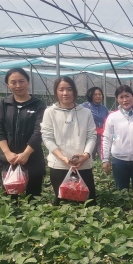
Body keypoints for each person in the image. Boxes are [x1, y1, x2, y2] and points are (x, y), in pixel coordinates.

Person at [42, 76, 98, 206]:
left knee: (87, 202)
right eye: (61, 89)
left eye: (69, 89)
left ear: (74, 91)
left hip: (83, 165)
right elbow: (47, 137)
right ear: (56, 92)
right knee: (63, 204)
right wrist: (63, 158)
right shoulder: (50, 112)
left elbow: (92, 136)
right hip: (59, 166)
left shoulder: (86, 113)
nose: (65, 93)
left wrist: (85, 155)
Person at [0, 68, 46, 198]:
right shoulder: (3, 104)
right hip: (8, 160)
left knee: (33, 198)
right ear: (8, 85)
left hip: (32, 159)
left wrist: (26, 154)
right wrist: (7, 153)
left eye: (21, 81)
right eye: (13, 82)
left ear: (28, 82)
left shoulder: (38, 105)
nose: (18, 85)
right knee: (10, 199)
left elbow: (39, 131)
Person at [101, 85, 133, 193]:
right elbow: (106, 138)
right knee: (121, 193)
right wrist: (105, 160)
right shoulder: (112, 117)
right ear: (117, 99)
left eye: (127, 96)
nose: (125, 100)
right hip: (119, 161)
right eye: (121, 97)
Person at [82, 86, 109, 160]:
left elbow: (108, 122)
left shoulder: (104, 109)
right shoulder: (84, 107)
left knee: (104, 157)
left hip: (101, 137)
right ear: (90, 95)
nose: (98, 96)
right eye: (95, 94)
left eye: (100, 94)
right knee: (89, 157)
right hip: (89, 136)